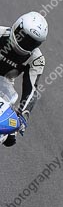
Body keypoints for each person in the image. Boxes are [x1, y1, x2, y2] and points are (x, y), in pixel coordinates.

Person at [0, 12, 48, 146]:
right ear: (17, 27)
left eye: (31, 42)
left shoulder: (36, 59)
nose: (25, 44)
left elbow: (31, 90)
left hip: (3, 90)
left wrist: (23, 115)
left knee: (10, 138)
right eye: (24, 38)